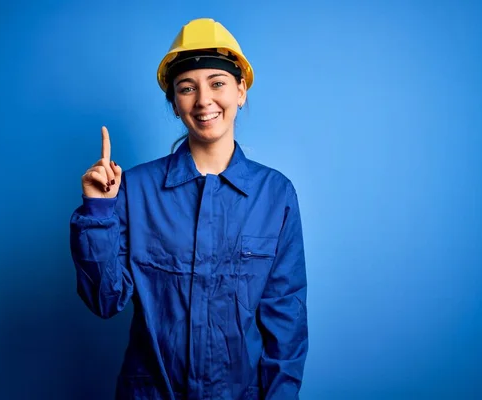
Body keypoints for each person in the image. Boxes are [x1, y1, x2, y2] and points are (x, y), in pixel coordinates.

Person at [69, 18, 308, 400]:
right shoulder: (135, 189)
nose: (203, 100)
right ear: (175, 103)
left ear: (241, 90)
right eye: (187, 88)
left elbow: (286, 323)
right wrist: (98, 211)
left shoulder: (275, 195)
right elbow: (104, 299)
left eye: (217, 83)